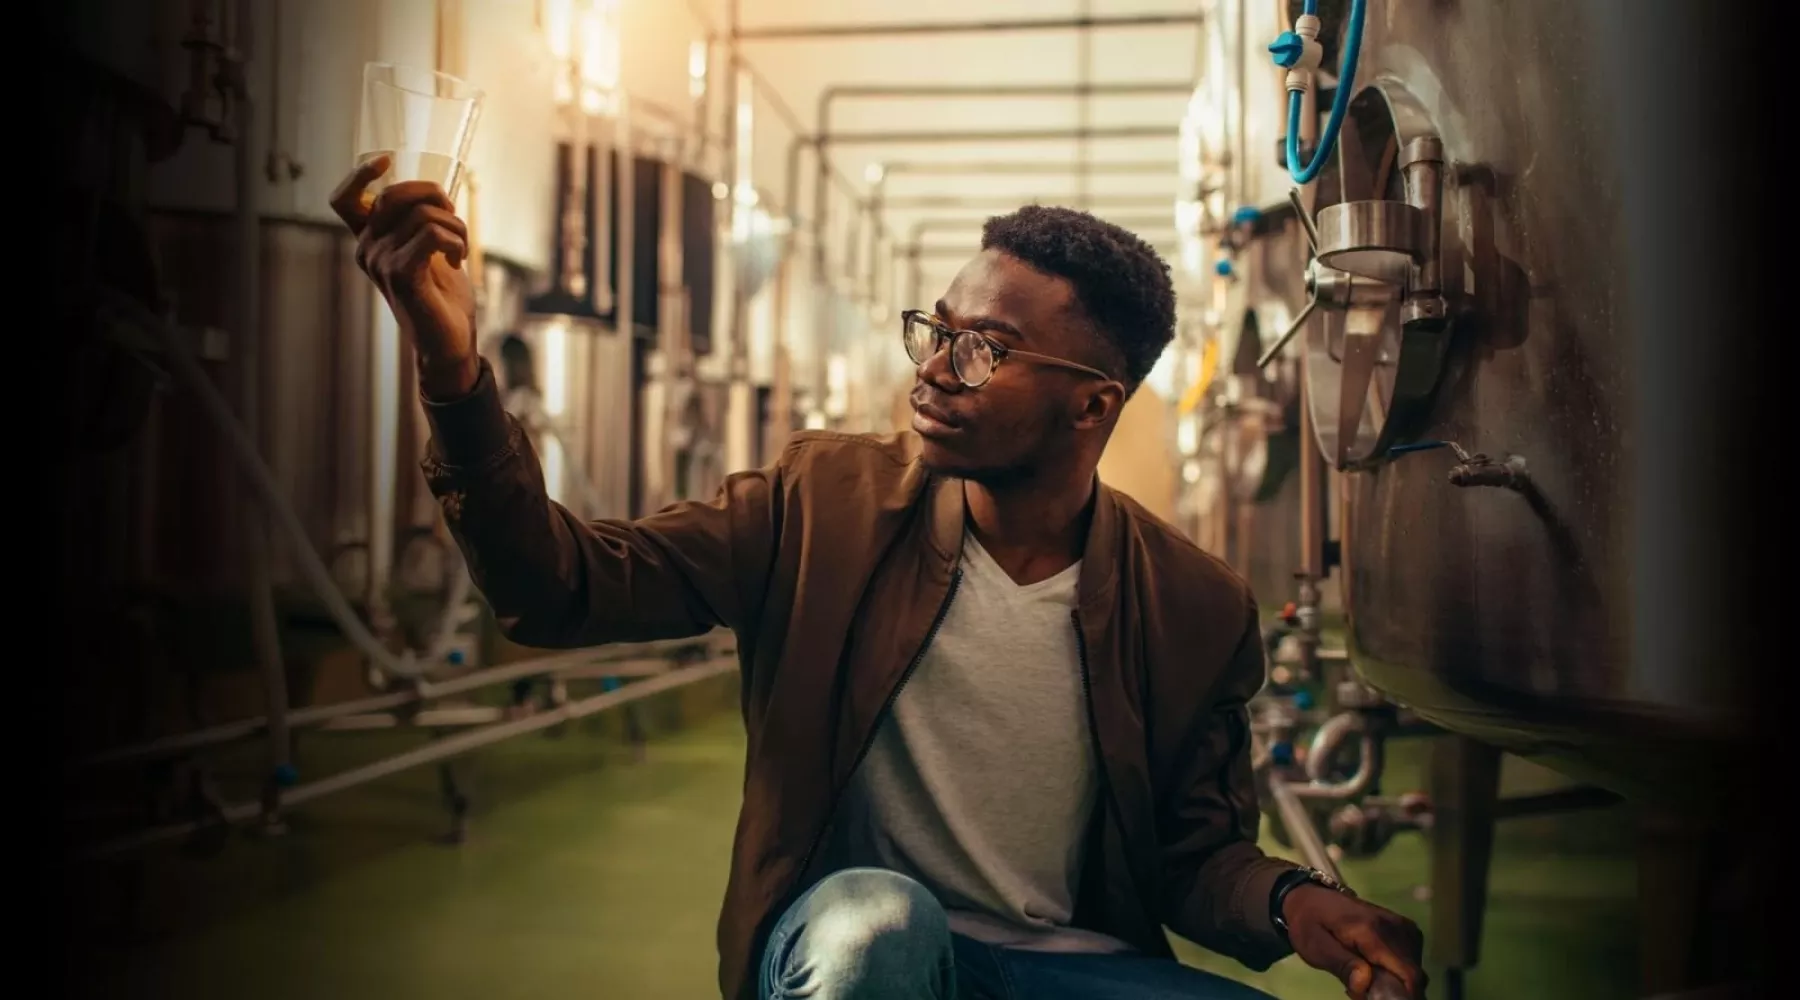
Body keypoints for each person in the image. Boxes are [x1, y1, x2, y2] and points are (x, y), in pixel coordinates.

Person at [330, 158, 1429, 1000]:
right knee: (882, 926)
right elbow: (558, 586)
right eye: (937, 331)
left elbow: (1195, 857)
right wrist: (452, 371)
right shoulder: (824, 502)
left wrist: (1294, 904)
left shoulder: (1192, 603)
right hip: (854, 943)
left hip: (1064, 963)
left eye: (983, 349)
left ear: (1093, 404)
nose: (934, 369)